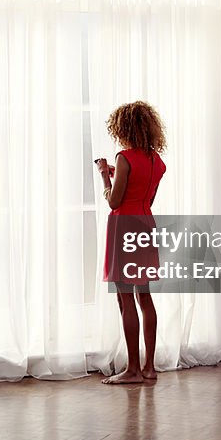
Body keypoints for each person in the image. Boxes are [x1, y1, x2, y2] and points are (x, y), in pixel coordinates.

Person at [95, 101, 167, 385]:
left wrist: (104, 175)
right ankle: (150, 367)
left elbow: (114, 200)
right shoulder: (156, 161)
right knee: (145, 297)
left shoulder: (124, 157)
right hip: (145, 225)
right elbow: (146, 199)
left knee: (125, 298)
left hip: (124, 225)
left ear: (124, 128)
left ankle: (132, 370)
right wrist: (119, 173)